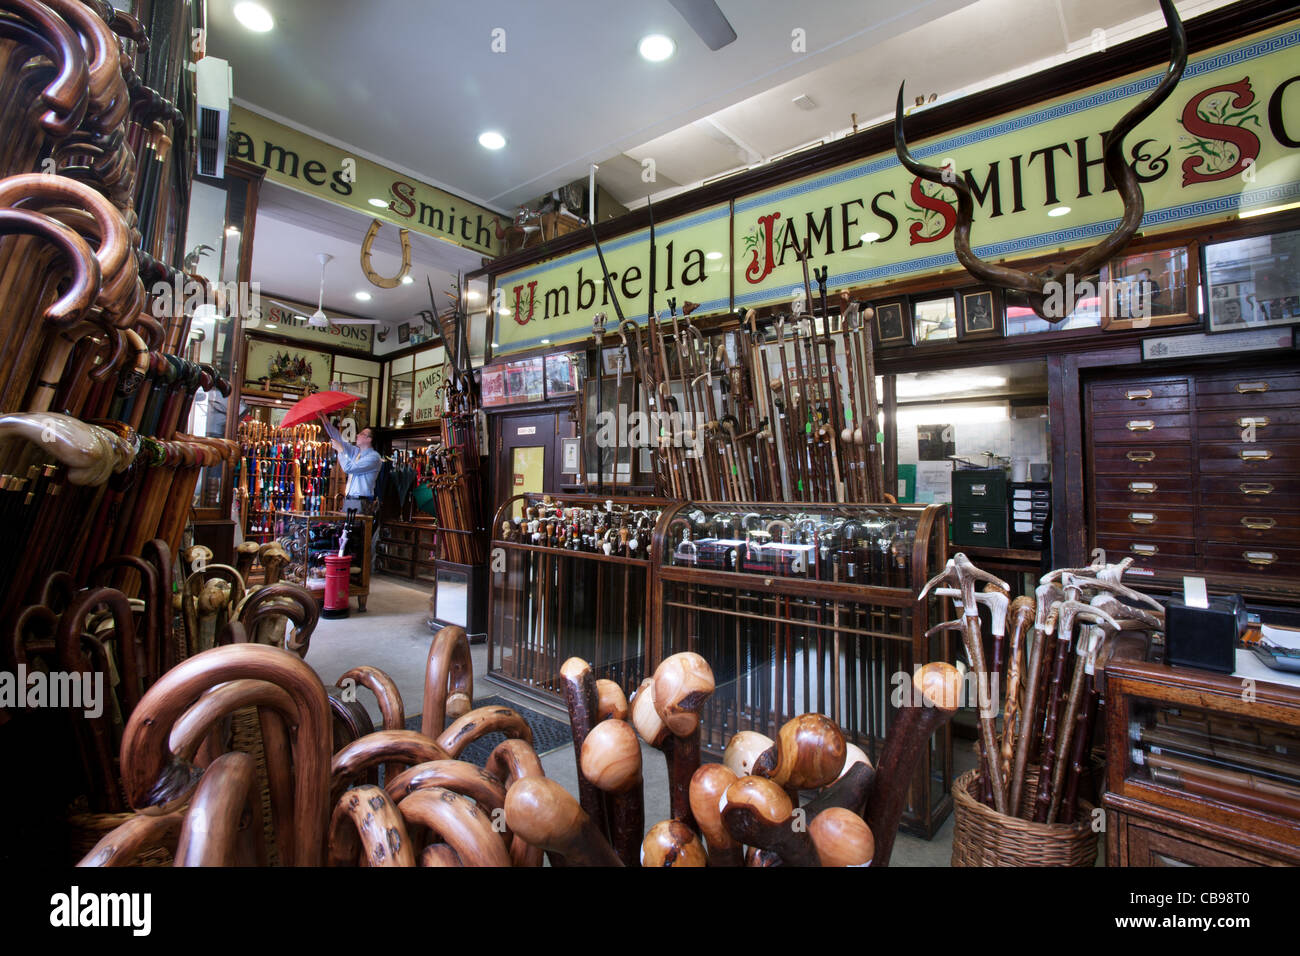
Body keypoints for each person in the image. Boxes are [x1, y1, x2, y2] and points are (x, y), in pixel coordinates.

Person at [318, 412, 382, 514]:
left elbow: (349, 468)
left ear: (369, 439)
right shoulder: (356, 452)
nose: (357, 435)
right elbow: (339, 440)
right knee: (347, 528)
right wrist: (325, 421)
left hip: (362, 500)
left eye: (362, 434)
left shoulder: (374, 457)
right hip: (350, 498)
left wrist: (341, 450)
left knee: (356, 528)